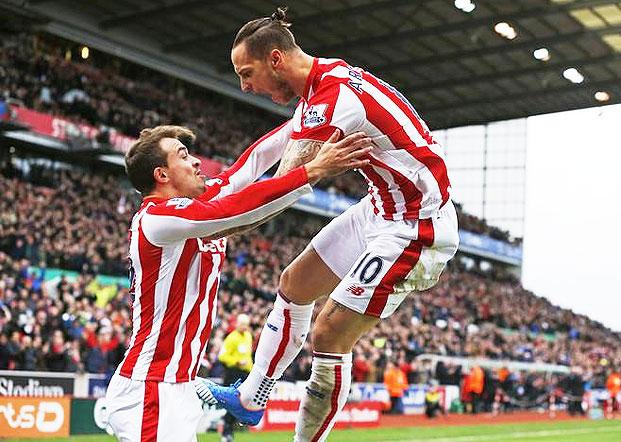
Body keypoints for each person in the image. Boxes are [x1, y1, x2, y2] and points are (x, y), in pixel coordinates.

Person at [197, 7, 459, 442]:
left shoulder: (334, 98)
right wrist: (221, 186)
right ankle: (251, 398)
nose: (245, 86)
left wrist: (210, 227)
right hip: (381, 207)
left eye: (247, 73)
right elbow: (270, 148)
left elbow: (284, 188)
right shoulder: (325, 79)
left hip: (417, 226)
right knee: (295, 283)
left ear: (275, 59)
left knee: (329, 332)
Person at [104, 124, 371, 442]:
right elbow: (237, 209)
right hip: (152, 387)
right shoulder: (156, 219)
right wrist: (312, 170)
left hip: (174, 385)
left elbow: (253, 162)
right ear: (162, 175)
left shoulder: (195, 206)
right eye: (184, 156)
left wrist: (307, 116)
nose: (197, 162)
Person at [218, 314, 254, 442]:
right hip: (233, 373)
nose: (245, 327)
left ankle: (228, 429)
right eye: (242, 324)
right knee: (235, 403)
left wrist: (251, 370)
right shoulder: (231, 338)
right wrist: (237, 361)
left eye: (246, 324)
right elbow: (222, 356)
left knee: (242, 403)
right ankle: (226, 431)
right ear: (237, 324)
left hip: (245, 374)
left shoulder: (249, 336)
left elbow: (248, 356)